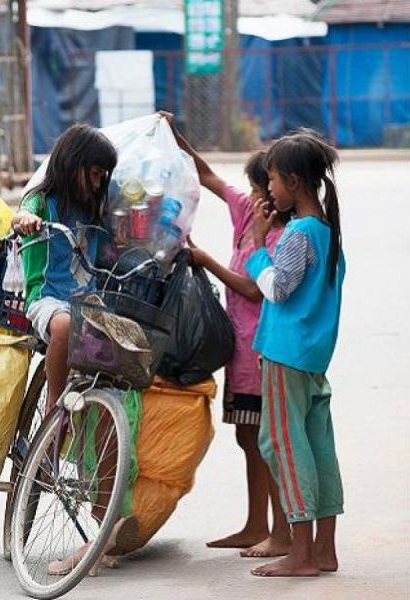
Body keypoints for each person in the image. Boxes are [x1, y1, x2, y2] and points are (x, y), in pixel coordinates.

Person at [163, 111, 292, 558]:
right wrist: (172, 134)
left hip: (261, 350)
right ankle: (256, 524)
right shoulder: (247, 214)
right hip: (239, 351)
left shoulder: (279, 237)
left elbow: (255, 289)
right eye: (257, 189)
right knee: (246, 436)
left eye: (264, 190)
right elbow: (208, 176)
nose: (257, 197)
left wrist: (206, 260)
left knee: (265, 439)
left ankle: (282, 531)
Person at [245, 130, 345, 577]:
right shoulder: (327, 231)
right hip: (313, 357)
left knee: (282, 443)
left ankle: (301, 550)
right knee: (318, 444)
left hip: (286, 354)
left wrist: (255, 248)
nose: (269, 190)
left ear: (294, 182)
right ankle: (324, 548)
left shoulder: (298, 233)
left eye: (272, 181)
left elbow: (278, 289)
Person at [12, 123, 118, 413]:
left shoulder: (94, 210)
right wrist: (25, 221)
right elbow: (20, 214)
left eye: (102, 177)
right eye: (94, 174)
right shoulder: (43, 202)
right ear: (73, 164)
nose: (97, 184)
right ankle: (53, 406)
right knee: (64, 325)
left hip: (88, 302)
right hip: (49, 299)